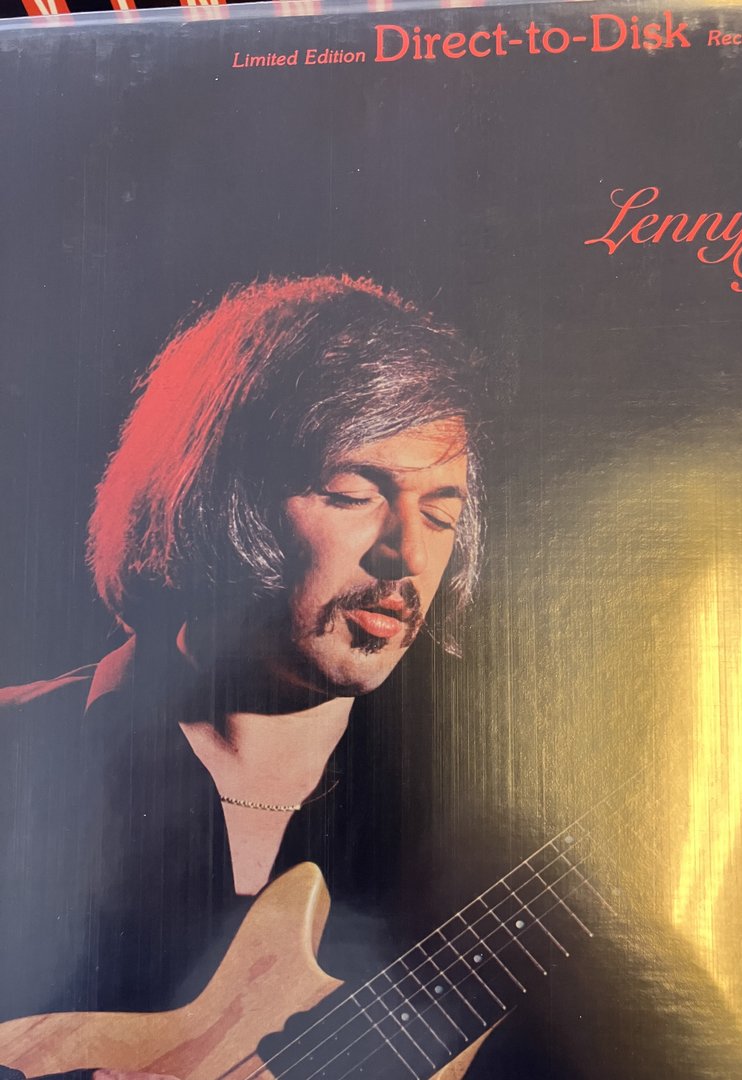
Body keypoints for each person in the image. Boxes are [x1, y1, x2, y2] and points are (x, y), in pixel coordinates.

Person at [0, 275, 491, 1071]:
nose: (409, 553)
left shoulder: (463, 839)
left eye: (441, 513)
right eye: (352, 493)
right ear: (215, 496)